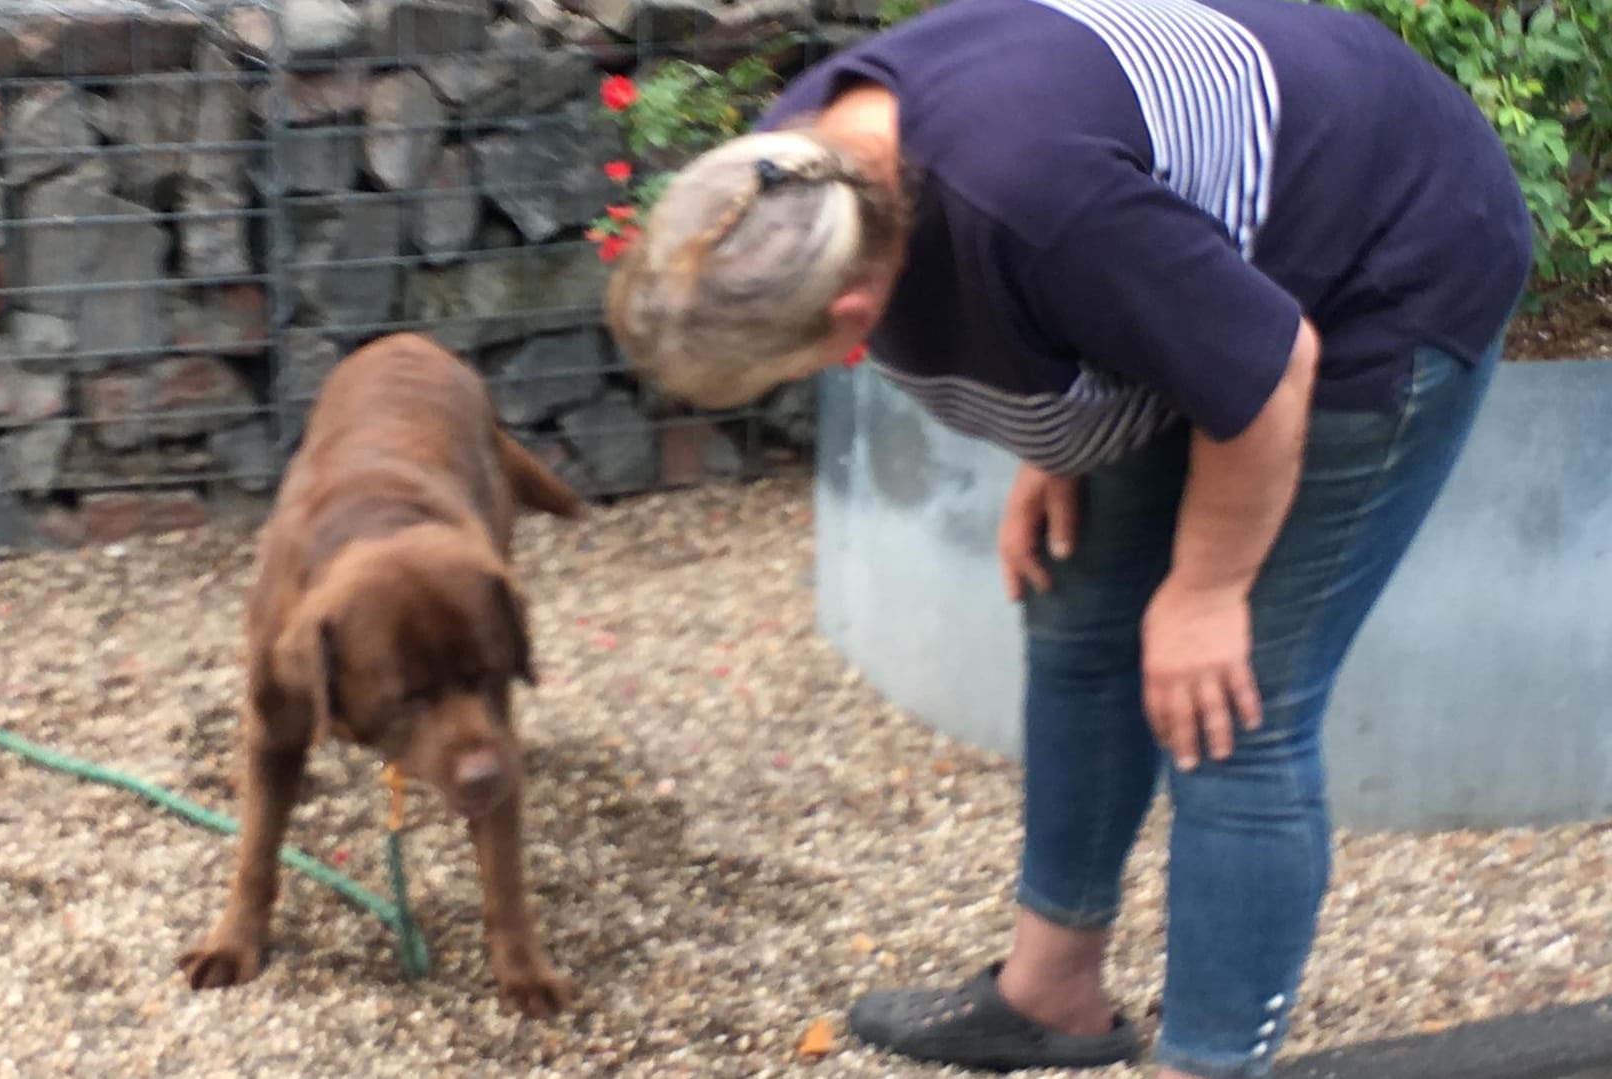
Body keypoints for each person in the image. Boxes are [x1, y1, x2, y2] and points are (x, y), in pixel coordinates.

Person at [601, 0, 1534, 1075]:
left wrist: (1206, 587)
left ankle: (1211, 1059)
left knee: (1236, 705)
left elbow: (1270, 363)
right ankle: (1050, 997)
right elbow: (1080, 288)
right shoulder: (788, 175)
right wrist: (1058, 440)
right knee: (1078, 603)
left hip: (1388, 255)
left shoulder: (1034, 201)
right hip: (1189, 255)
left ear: (850, 316)